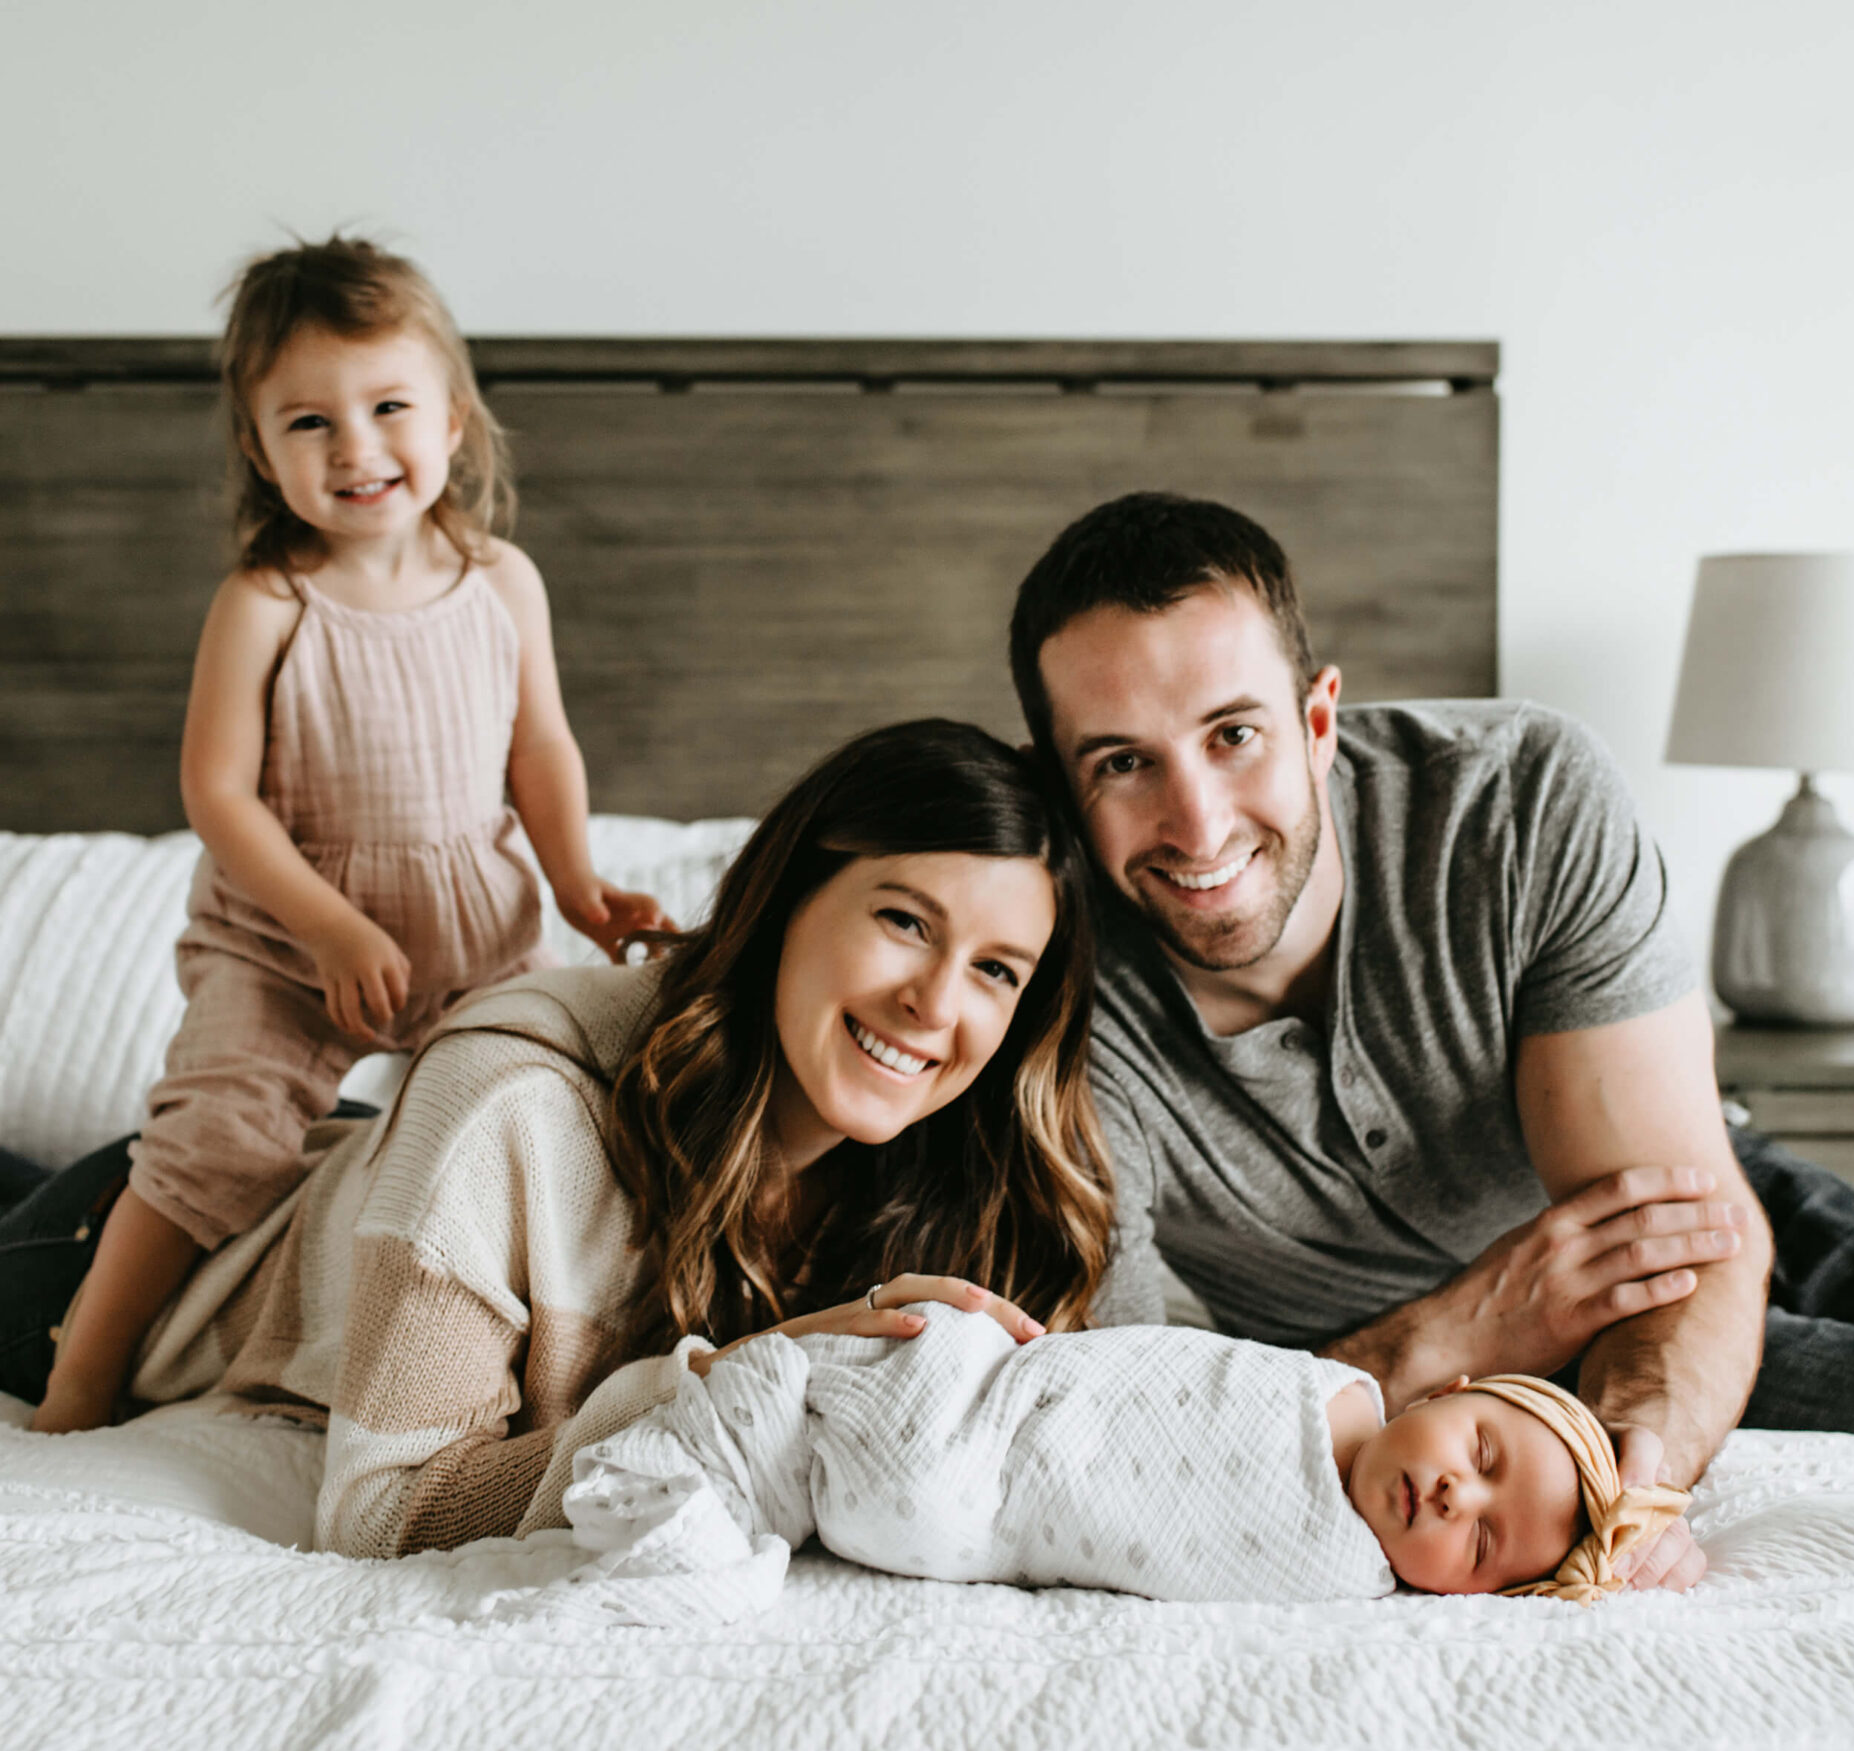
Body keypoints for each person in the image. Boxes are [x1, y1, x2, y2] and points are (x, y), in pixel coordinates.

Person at [1005, 490, 1854, 1594]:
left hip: (1670, 1230)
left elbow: (1677, 1226)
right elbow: (1149, 1433)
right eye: (1121, 764)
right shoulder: (1035, 998)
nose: (1197, 824)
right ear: (1060, 784)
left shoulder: (1519, 799)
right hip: (1416, 1386)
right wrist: (1443, 1343)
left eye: (1233, 735)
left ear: (1319, 719)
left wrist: (1639, 1476)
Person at [2, 720, 1140, 1556]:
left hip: (366, 1177)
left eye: (996, 971)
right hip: (100, 1264)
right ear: (789, 894)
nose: (935, 1006)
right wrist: (741, 1383)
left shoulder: (967, 1157)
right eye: (903, 919)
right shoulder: (512, 1102)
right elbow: (379, 1510)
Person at [31, 236, 670, 1434]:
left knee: (568, 1116)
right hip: (287, 939)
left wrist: (581, 888)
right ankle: (77, 1383)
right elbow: (218, 794)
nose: (358, 447)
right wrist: (326, 926)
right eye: (309, 422)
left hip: (473, 926)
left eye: (387, 407)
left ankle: (567, 1354)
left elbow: (540, 751)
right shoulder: (267, 602)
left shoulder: (501, 582)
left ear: (456, 421)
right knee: (210, 1143)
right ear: (259, 450)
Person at [529, 1307, 1682, 1623]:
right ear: (1447, 1395)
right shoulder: (1319, 1383)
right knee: (813, 1405)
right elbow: (1137, 1367)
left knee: (892, 1488)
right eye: (1479, 1455)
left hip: (959, 1508)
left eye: (1479, 1543)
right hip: (978, 1384)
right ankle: (718, 1439)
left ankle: (711, 1500)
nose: (1451, 1495)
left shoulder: (1339, 1577)